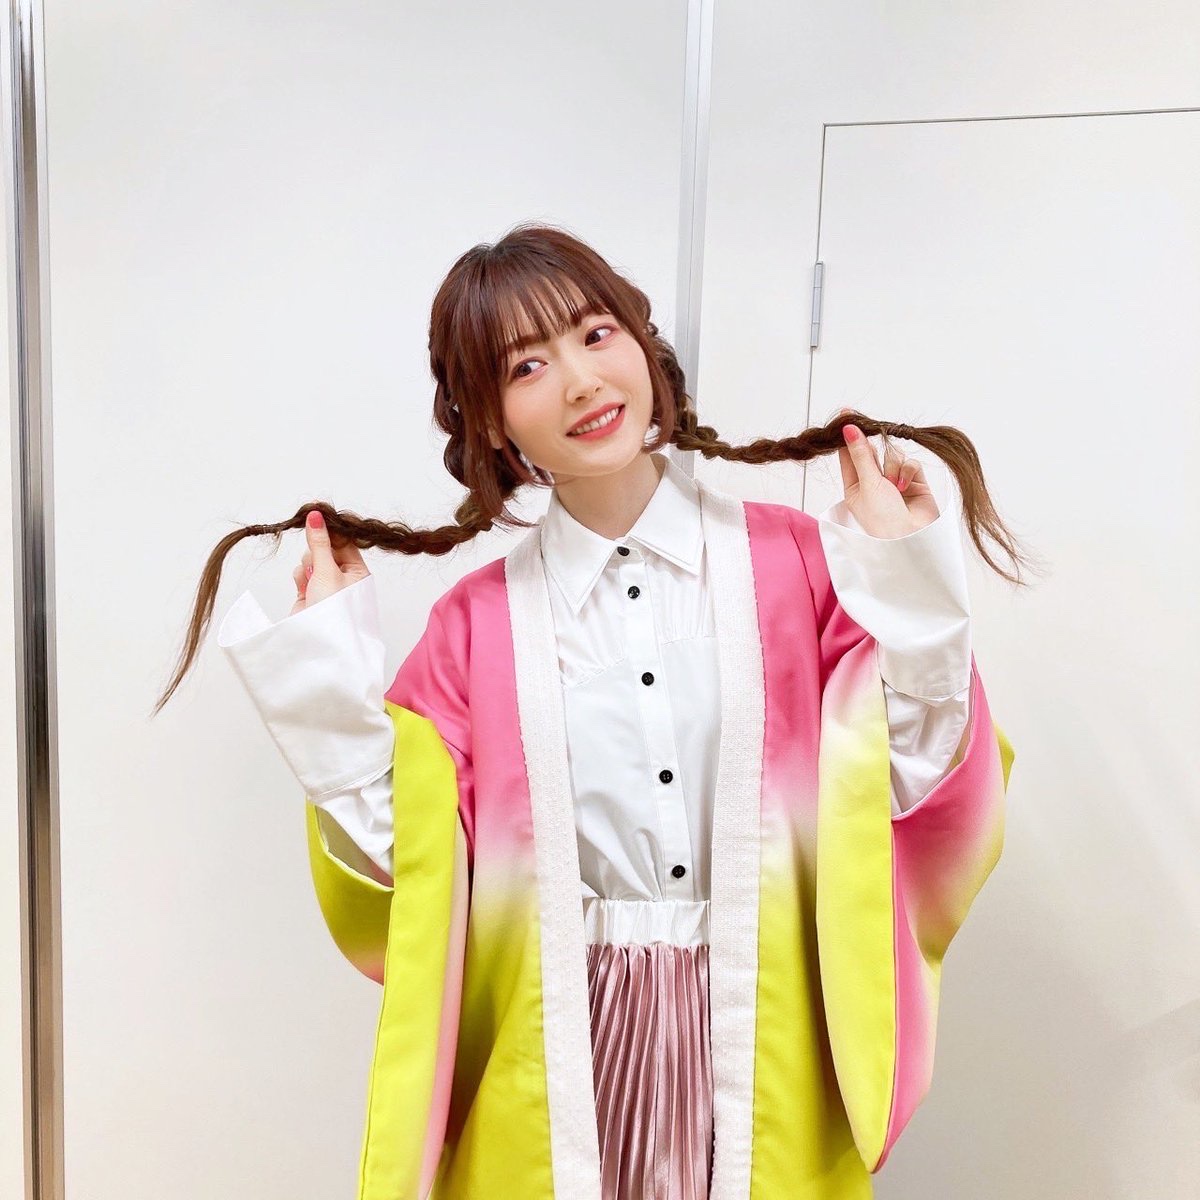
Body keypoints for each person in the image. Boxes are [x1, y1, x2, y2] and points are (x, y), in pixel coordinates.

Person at [154, 223, 1027, 1200]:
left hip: (762, 1036)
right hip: (558, 1061)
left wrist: (908, 586)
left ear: (643, 346)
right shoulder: (473, 630)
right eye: (526, 365)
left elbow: (911, 784)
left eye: (596, 334)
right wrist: (328, 684)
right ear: (490, 423)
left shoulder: (798, 565)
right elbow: (413, 876)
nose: (579, 381)